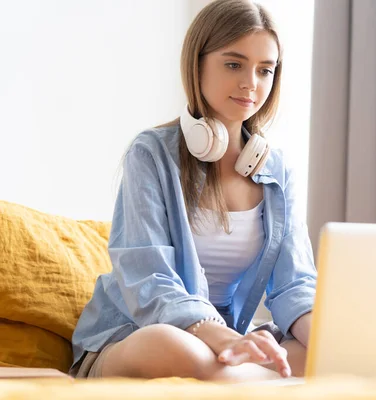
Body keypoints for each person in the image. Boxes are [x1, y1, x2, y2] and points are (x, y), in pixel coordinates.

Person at [69, 0, 316, 382]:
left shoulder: (278, 171)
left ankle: (239, 378)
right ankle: (253, 379)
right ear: (197, 64)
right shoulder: (150, 154)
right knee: (172, 346)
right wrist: (218, 337)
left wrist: (327, 339)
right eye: (234, 64)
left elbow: (294, 283)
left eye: (265, 70)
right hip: (141, 332)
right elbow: (149, 279)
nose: (251, 83)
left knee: (313, 352)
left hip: (227, 340)